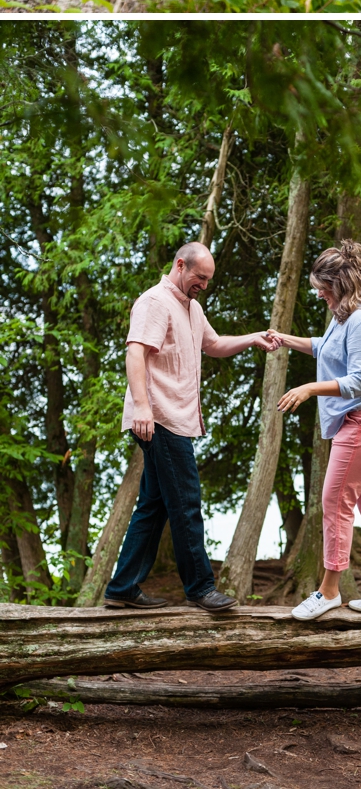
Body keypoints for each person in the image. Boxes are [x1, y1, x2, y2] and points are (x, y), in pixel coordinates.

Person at [105, 242, 277, 616]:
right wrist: (143, 408)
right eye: (200, 277)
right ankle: (200, 587)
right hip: (159, 419)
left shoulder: (192, 308)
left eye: (208, 280)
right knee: (185, 502)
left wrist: (253, 338)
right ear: (180, 265)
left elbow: (213, 344)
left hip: (176, 420)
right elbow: (136, 353)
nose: (204, 285)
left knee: (154, 505)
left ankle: (122, 587)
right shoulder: (154, 302)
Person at [269, 240, 361, 618]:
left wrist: (310, 388)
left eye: (323, 287)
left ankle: (328, 591)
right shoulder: (344, 315)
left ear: (341, 283)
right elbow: (325, 348)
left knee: (334, 503)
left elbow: (360, 380)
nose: (319, 294)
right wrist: (284, 339)